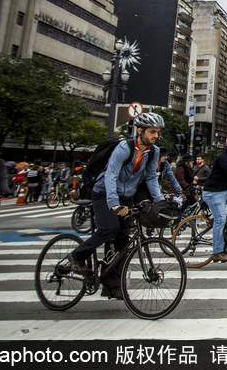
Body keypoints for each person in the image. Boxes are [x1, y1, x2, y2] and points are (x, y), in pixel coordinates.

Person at [68, 112, 167, 300]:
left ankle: (111, 285)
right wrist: (113, 204)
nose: (155, 136)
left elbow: (152, 177)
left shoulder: (152, 151)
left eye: (157, 132)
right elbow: (110, 175)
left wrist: (159, 200)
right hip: (104, 193)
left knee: (122, 240)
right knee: (109, 229)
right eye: (152, 132)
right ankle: (77, 256)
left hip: (126, 197)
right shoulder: (124, 147)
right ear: (140, 131)